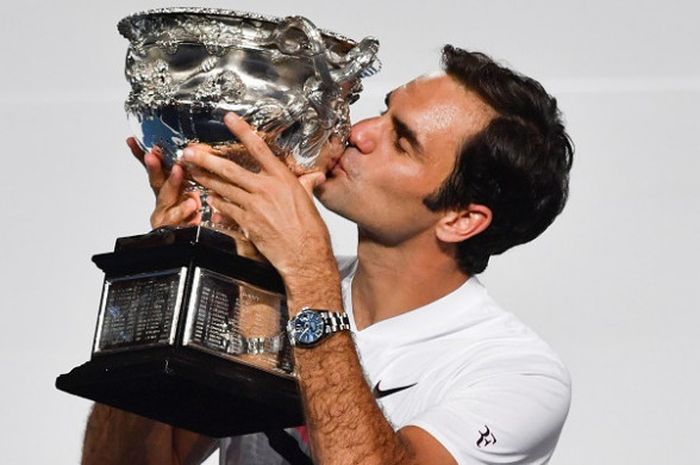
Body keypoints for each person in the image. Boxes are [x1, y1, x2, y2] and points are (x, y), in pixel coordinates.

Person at [82, 45, 573, 465]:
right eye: (382, 110)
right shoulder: (265, 285)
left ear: (461, 218)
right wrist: (165, 271)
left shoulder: (517, 375)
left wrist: (308, 274)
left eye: (401, 142)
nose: (359, 131)